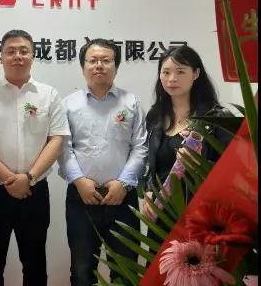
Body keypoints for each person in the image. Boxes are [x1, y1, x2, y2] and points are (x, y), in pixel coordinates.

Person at [0, 29, 70, 286]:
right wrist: (9, 179)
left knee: (35, 263)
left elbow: (57, 140)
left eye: (24, 51)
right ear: (1, 57)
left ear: (33, 56)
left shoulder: (49, 94)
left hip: (34, 190)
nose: (18, 56)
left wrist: (29, 177)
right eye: (11, 51)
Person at [58, 38, 148, 286]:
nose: (99, 65)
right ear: (83, 67)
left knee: (126, 269)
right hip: (81, 198)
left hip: (123, 198)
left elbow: (140, 147)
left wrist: (123, 183)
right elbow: (63, 148)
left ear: (116, 66)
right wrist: (79, 181)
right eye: (93, 60)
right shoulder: (68, 104)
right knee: (82, 270)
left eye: (106, 60)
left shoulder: (131, 102)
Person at [142, 45, 231, 220]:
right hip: (161, 213)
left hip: (200, 215)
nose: (172, 79)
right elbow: (152, 165)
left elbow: (231, 171)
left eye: (180, 72)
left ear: (196, 74)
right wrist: (149, 190)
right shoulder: (155, 116)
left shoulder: (216, 119)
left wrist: (200, 162)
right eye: (166, 72)